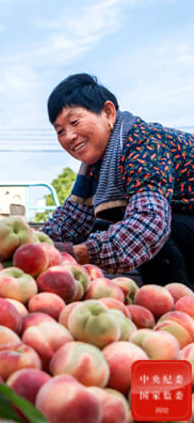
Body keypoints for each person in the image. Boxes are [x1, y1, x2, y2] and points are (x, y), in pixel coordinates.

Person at [41, 73, 194, 287]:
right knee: (99, 227)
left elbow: (149, 224)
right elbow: (72, 220)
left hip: (184, 223)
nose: (69, 136)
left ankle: (176, 307)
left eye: (74, 122)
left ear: (109, 112)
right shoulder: (97, 166)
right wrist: (32, 245)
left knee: (152, 229)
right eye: (60, 131)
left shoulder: (144, 144)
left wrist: (81, 253)